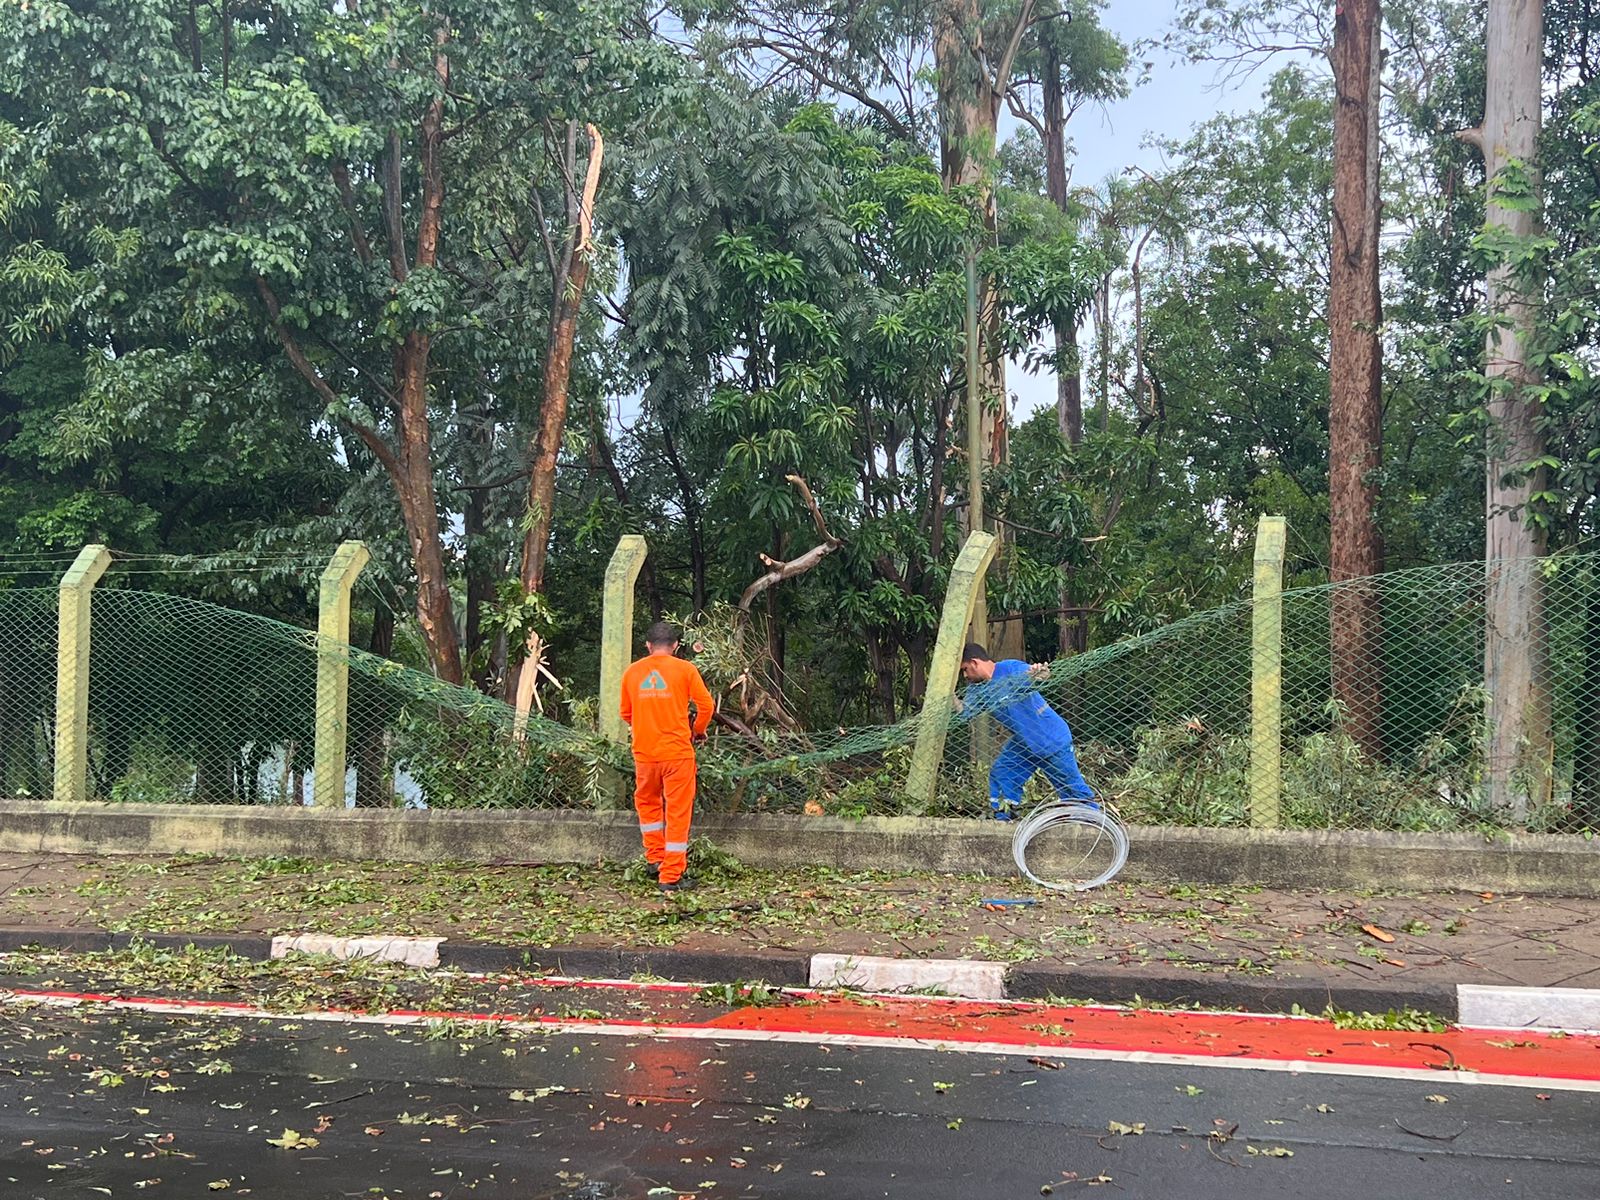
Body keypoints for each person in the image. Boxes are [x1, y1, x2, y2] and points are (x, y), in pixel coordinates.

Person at [620, 620, 714, 892]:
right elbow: (706, 706)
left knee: (647, 805)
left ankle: (655, 859)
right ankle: (671, 875)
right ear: (675, 646)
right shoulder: (686, 669)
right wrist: (697, 731)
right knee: (677, 811)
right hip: (677, 754)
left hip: (645, 754)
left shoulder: (632, 673)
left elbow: (626, 713)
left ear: (648, 646)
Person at [958, 642, 1094, 820]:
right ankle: (1003, 819)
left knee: (1071, 788)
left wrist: (1039, 673)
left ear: (975, 662)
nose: (965, 675)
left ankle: (1096, 821)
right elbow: (964, 712)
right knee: (1002, 773)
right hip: (1023, 743)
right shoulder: (977, 689)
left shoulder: (1010, 668)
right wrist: (947, 696)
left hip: (1050, 738)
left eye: (965, 669)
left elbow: (1034, 676)